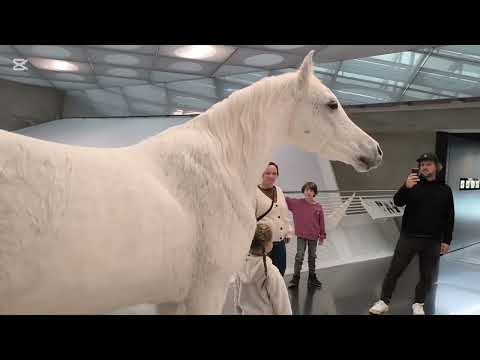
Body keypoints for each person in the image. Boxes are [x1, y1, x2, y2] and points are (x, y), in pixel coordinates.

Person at [369, 152, 455, 315]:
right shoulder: (412, 185)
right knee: (394, 271)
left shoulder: (445, 190)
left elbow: (449, 216)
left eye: (428, 164)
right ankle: (383, 302)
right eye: (422, 165)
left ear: (436, 167)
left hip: (433, 241)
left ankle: (418, 303)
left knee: (427, 276)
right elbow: (397, 202)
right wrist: (405, 187)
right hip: (409, 237)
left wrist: (447, 240)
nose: (424, 167)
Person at [233, 222, 292, 315]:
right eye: (271, 240)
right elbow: (283, 306)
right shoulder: (271, 272)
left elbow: (237, 300)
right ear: (266, 245)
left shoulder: (240, 267)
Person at [285, 181, 326, 289]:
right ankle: (295, 278)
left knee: (312, 257)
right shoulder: (297, 203)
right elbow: (285, 199)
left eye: (311, 190)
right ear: (304, 190)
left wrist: (322, 236)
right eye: (307, 189)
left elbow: (321, 222)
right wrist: (276, 190)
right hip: (301, 236)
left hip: (313, 236)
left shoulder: (318, 207)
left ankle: (312, 277)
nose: (309, 192)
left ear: (314, 193)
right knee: (299, 256)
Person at [255, 162, 293, 276]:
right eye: (268, 173)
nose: (271, 176)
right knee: (263, 275)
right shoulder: (254, 192)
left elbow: (284, 213)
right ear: (261, 174)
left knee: (280, 272)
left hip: (280, 242)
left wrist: (288, 232)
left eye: (274, 173)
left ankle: (277, 294)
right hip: (262, 243)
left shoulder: (279, 190)